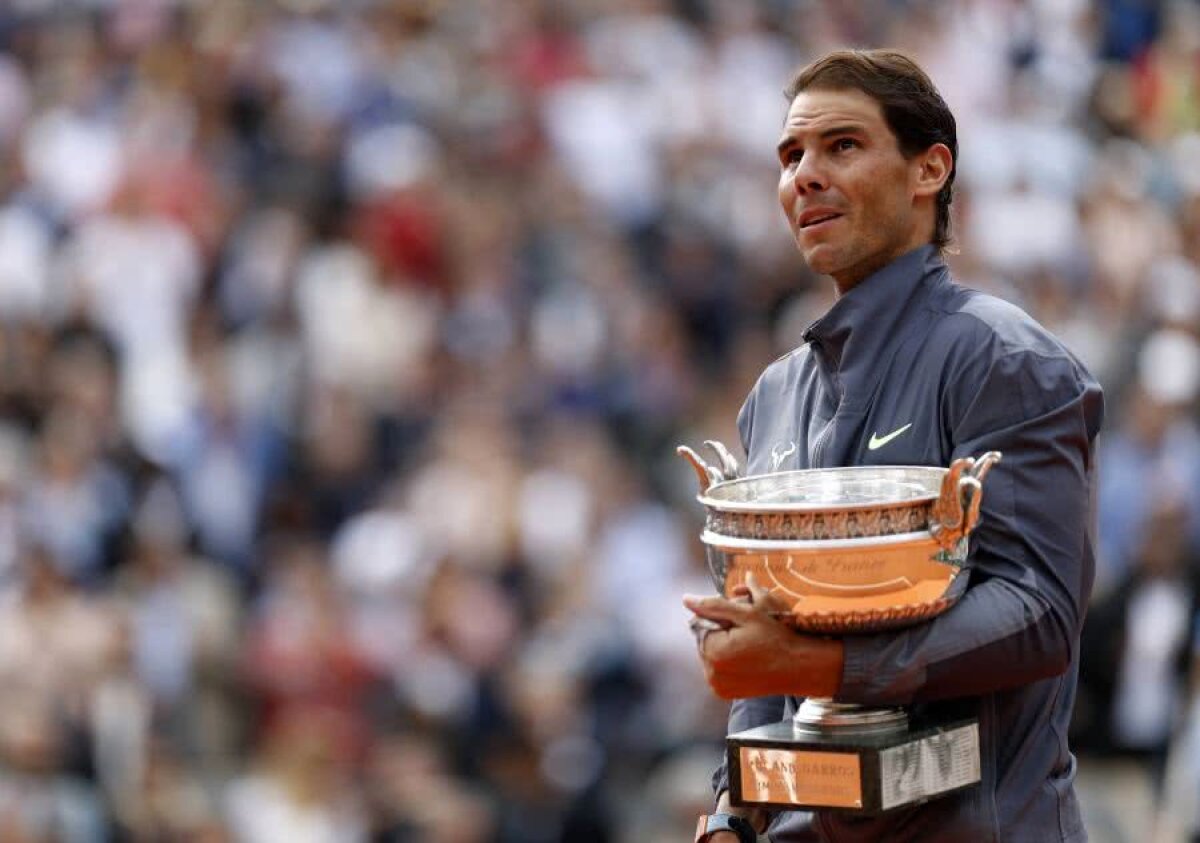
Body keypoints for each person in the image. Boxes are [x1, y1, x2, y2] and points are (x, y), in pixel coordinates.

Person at [684, 49, 1103, 843]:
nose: (804, 175)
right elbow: (766, 650)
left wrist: (824, 669)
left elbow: (1040, 612)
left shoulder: (1005, 359)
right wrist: (732, 815)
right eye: (790, 155)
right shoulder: (773, 397)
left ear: (929, 169)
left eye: (841, 146)